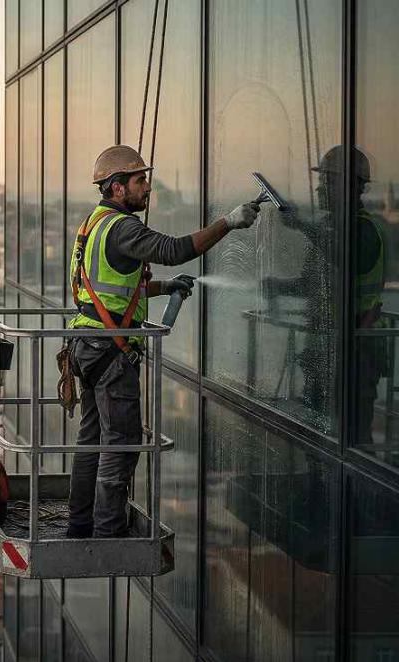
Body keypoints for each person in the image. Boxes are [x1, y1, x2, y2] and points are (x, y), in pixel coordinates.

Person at [66, 145, 260, 538]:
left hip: (85, 343)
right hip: (109, 349)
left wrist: (162, 287)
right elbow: (174, 250)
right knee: (121, 441)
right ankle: (107, 531)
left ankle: (80, 522)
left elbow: (108, 291)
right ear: (117, 187)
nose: (148, 188)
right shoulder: (123, 228)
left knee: (92, 440)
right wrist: (229, 222)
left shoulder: (94, 223)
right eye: (140, 181)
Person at [264, 145, 387, 440]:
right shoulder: (329, 227)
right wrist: (278, 285)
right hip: (324, 349)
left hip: (356, 349)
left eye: (327, 182)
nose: (320, 189)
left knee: (351, 437)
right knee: (318, 438)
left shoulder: (365, 231)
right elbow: (312, 284)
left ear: (351, 186)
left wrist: (301, 225)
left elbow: (346, 256)